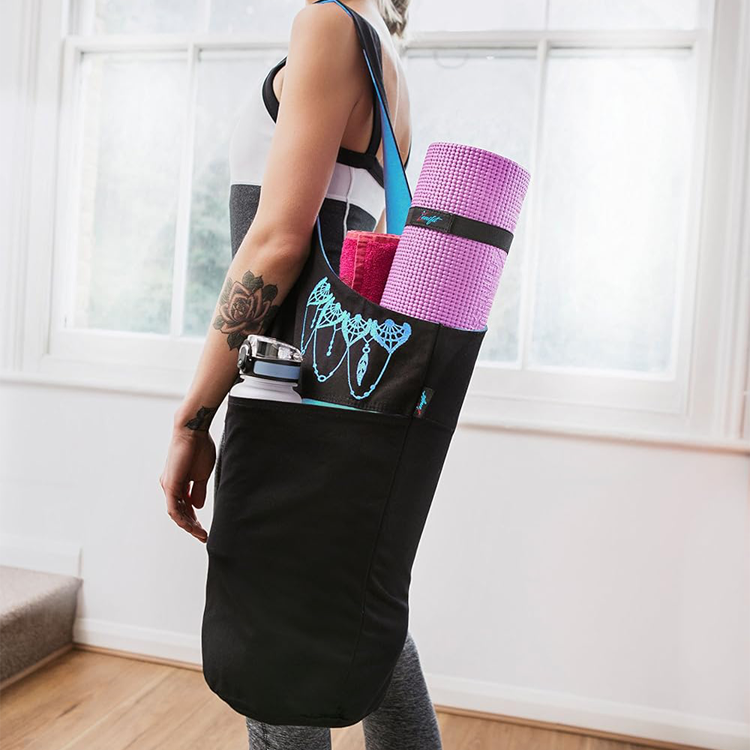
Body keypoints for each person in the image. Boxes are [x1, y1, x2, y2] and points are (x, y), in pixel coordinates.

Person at [159, 0, 442, 747]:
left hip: (286, 394)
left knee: (275, 651)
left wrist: (193, 418)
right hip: (341, 392)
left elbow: (279, 242)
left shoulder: (327, 25)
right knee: (356, 627)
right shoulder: (384, 60)